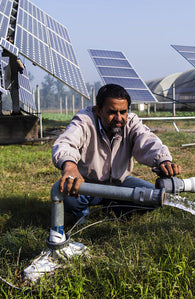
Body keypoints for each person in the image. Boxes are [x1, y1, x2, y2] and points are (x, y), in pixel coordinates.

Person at [52, 83, 182, 223]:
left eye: (123, 112)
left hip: (119, 183)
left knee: (155, 197)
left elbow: (147, 141)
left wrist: (163, 160)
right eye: (112, 112)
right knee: (67, 196)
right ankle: (81, 215)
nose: (119, 118)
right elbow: (66, 143)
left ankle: (115, 209)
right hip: (87, 184)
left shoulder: (131, 123)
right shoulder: (85, 120)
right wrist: (70, 166)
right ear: (99, 111)